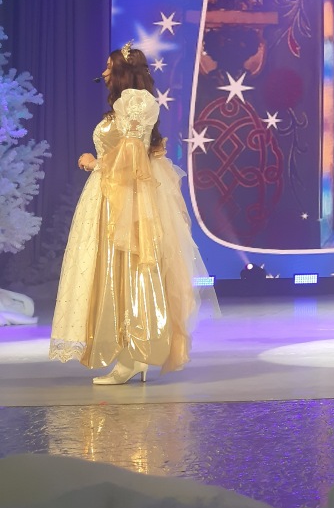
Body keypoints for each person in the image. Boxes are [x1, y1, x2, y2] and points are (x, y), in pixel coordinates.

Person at [49, 43, 215, 384]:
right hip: (111, 194)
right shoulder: (123, 105)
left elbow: (133, 154)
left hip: (125, 198)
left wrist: (96, 163)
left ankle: (133, 354)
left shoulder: (136, 101)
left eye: (110, 67)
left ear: (124, 72)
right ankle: (130, 355)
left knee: (127, 268)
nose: (104, 73)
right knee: (113, 270)